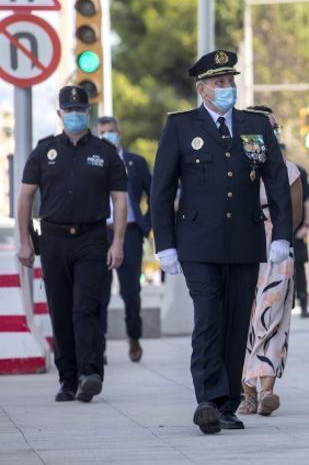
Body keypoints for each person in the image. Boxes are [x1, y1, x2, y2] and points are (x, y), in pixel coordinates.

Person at [151, 50, 293, 434]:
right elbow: (161, 189)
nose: (227, 88)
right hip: (198, 243)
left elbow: (277, 181)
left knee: (235, 325)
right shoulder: (181, 127)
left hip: (245, 241)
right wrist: (163, 243)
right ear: (202, 89)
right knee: (209, 320)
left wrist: (282, 234)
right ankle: (207, 401)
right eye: (219, 82)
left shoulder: (254, 125)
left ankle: (229, 403)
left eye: (231, 81)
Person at [17, 85, 128, 403]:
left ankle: (89, 373)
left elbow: (120, 200)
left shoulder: (105, 153)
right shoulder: (44, 151)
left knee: (86, 307)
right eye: (70, 110)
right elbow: (25, 198)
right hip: (52, 239)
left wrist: (117, 242)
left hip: (92, 239)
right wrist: (25, 242)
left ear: (88, 113)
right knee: (61, 309)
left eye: (81, 110)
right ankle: (67, 380)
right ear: (60, 114)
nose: (76, 115)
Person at [238, 104, 303, 417]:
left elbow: (294, 215)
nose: (272, 132)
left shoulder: (289, 170)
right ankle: (245, 392)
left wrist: (280, 237)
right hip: (241, 246)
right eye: (266, 126)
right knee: (243, 316)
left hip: (276, 249)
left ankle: (266, 390)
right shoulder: (235, 166)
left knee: (272, 317)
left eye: (275, 127)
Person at [95, 116, 152, 363]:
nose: (108, 135)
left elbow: (156, 195)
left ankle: (134, 336)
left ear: (119, 133)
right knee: (99, 293)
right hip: (99, 232)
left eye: (111, 131)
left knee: (131, 293)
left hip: (129, 231)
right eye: (103, 132)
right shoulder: (93, 161)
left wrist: (145, 224)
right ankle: (99, 346)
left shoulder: (135, 162)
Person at [293, 162, 309, 318]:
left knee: (299, 268)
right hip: (272, 231)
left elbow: (307, 201)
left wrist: (306, 225)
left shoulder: (298, 172)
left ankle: (304, 303)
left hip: (296, 230)